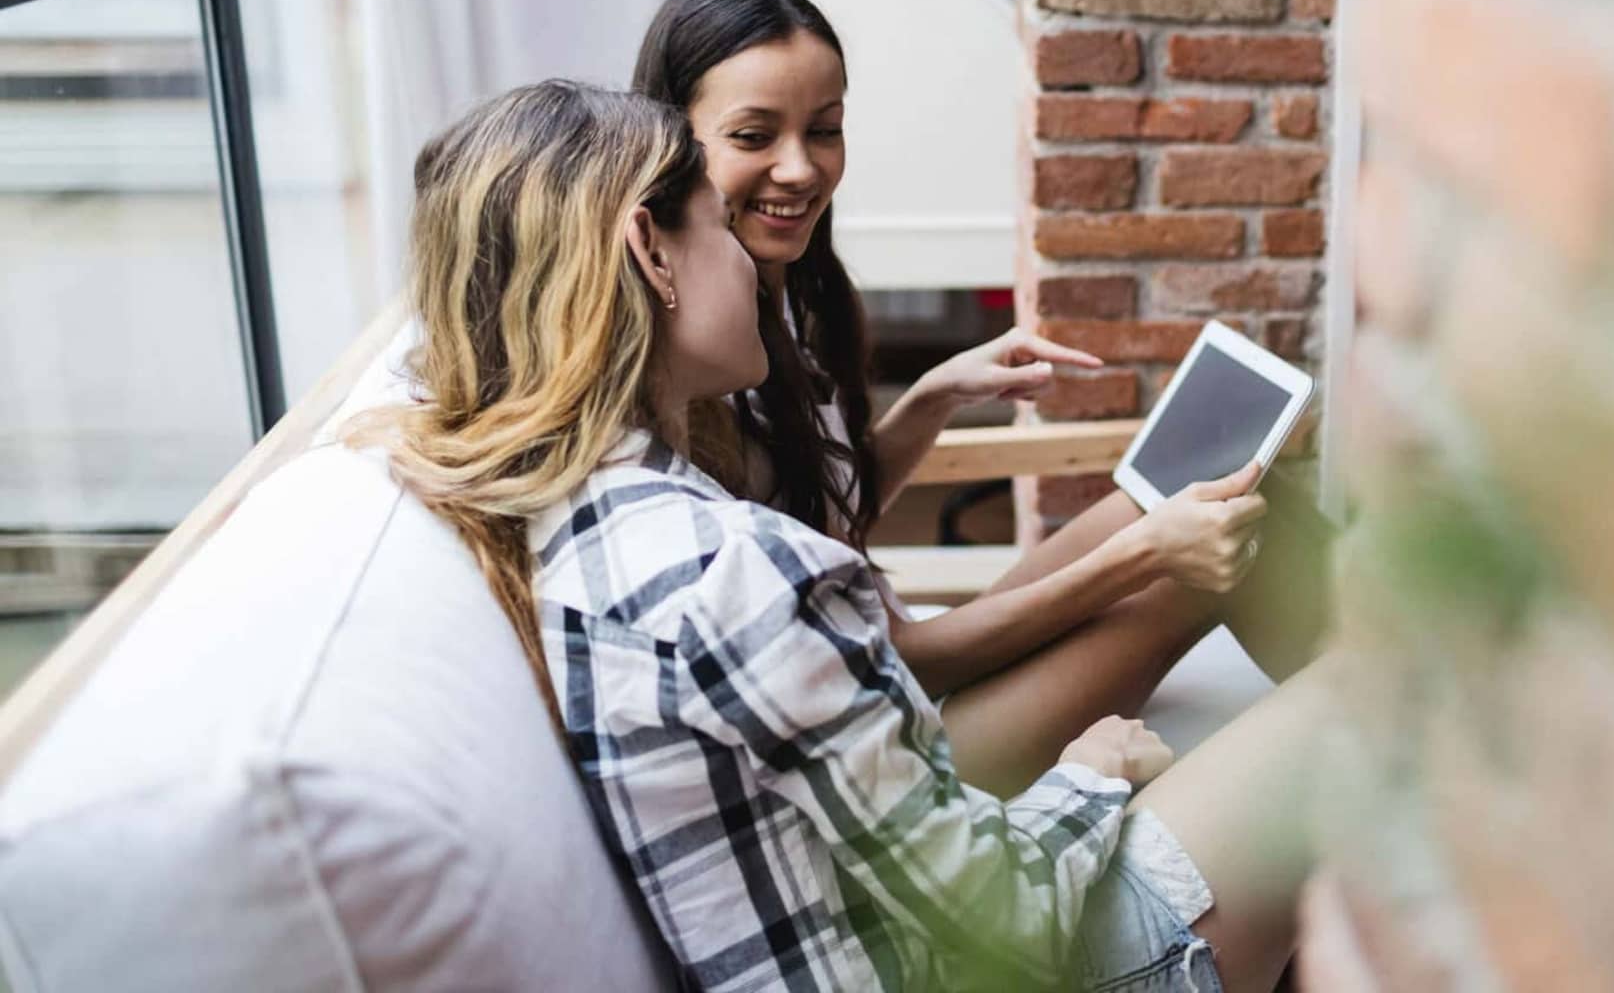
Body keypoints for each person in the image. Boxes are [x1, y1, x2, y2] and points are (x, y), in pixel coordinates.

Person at [348, 80, 1333, 990]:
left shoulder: (575, 510)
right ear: (650, 250)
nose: (762, 218)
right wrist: (1090, 771)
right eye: (716, 223)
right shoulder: (725, 568)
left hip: (886, 906)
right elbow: (1011, 913)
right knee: (1374, 690)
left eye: (824, 125)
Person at [631, 0, 1334, 794]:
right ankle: (1428, 757)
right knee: (1210, 543)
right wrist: (1143, 556)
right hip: (876, 759)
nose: (799, 168)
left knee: (1189, 496)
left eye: (825, 130)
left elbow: (822, 505)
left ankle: (1421, 712)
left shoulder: (781, 288)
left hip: (878, 680)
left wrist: (933, 396)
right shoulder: (698, 354)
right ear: (671, 140)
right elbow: (904, 655)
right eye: (753, 136)